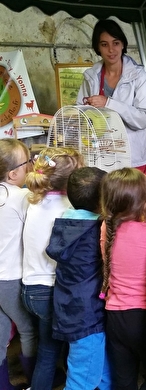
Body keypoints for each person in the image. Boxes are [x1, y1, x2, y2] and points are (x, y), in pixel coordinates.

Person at [99, 167, 146, 390]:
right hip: (145, 316)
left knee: (123, 378)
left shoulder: (105, 229)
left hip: (115, 317)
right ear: (144, 202)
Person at [21, 147, 84, 390]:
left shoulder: (34, 201)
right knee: (48, 353)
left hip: (28, 290)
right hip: (48, 292)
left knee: (46, 348)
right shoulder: (68, 208)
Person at [46, 166, 112, 390]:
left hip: (70, 308)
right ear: (102, 201)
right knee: (81, 381)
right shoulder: (96, 231)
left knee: (100, 370)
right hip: (88, 317)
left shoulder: (65, 223)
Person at [77, 19, 146, 181]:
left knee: (134, 204)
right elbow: (80, 114)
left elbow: (143, 118)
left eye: (116, 43)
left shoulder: (138, 76)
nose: (111, 50)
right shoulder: (91, 77)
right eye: (104, 44)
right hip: (100, 159)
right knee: (103, 204)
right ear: (97, 47)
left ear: (123, 45)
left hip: (132, 159)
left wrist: (109, 103)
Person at [0, 139, 37, 390]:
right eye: (29, 163)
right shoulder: (22, 195)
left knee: (1, 333)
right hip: (10, 277)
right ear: (14, 173)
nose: (32, 166)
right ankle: (36, 376)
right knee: (28, 329)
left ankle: (3, 383)